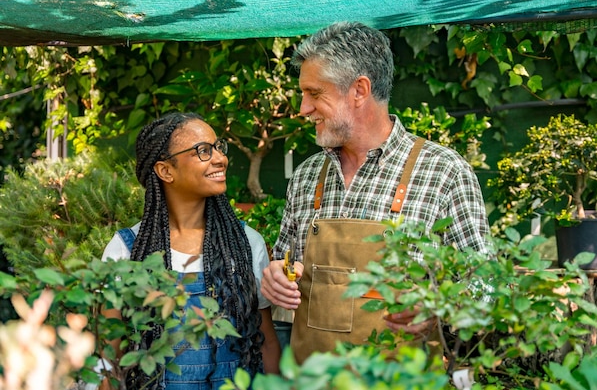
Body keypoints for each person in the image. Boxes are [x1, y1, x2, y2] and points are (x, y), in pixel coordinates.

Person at [260, 22, 490, 363]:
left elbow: (484, 289)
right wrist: (276, 275)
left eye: (314, 93)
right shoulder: (307, 176)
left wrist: (436, 313)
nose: (303, 108)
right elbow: (286, 263)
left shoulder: (443, 172)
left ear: (359, 90)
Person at [100, 112, 280, 389]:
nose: (220, 158)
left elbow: (266, 341)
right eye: (203, 151)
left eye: (219, 147)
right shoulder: (127, 251)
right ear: (166, 171)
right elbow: (111, 359)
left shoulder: (246, 243)